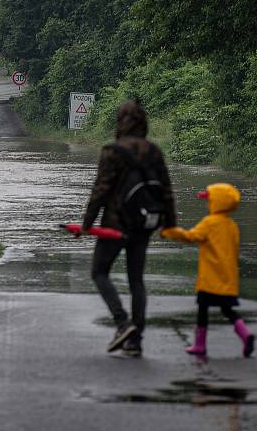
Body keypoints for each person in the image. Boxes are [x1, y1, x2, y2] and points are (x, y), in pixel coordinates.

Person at [82, 100, 176, 356]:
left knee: (99, 272)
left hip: (115, 224)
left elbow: (101, 190)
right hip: (144, 224)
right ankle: (136, 340)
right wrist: (170, 224)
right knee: (137, 281)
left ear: (120, 122)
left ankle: (122, 322)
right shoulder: (154, 151)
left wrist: (86, 223)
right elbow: (166, 190)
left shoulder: (112, 151)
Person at [160, 183, 255, 357]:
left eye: (209, 200)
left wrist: (170, 232)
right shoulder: (232, 225)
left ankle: (200, 345)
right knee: (227, 310)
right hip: (228, 278)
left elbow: (191, 236)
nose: (207, 203)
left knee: (202, 309)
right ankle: (245, 334)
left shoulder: (209, 222)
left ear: (216, 203)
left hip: (210, 278)